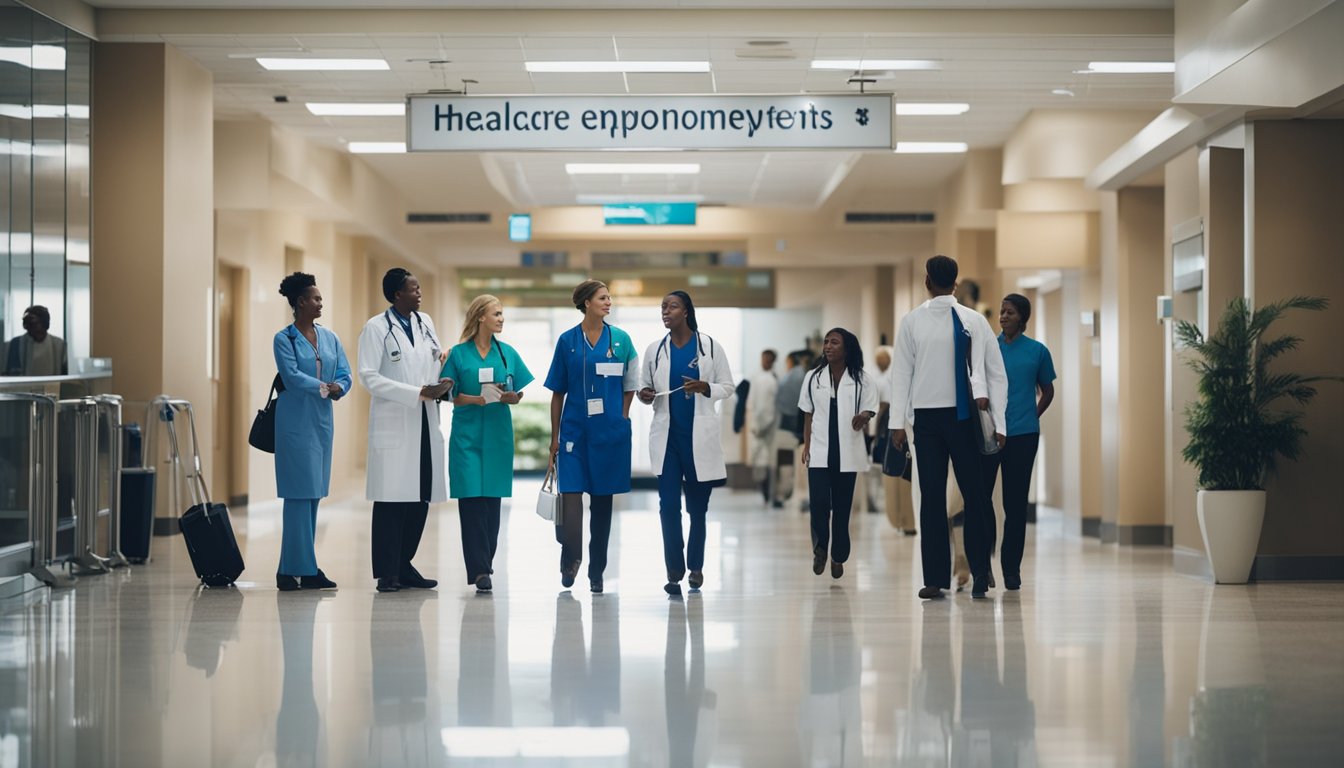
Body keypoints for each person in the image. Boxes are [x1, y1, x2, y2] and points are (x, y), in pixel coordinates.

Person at [891, 255, 1007, 600]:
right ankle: (967, 573)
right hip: (945, 420)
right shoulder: (969, 321)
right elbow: (996, 374)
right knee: (970, 497)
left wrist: (898, 424)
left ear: (927, 281)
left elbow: (901, 376)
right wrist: (999, 422)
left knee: (942, 499)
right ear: (955, 282)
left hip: (947, 418)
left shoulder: (955, 322)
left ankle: (954, 576)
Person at [357, 267, 453, 593]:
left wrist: (443, 377)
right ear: (397, 294)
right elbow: (368, 376)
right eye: (413, 289)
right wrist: (416, 393)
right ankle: (387, 573)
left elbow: (433, 360)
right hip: (395, 422)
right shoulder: (375, 328)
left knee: (420, 496)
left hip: (425, 421)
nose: (419, 293)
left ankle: (404, 565)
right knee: (391, 500)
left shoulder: (425, 323)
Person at [636, 290, 734, 596]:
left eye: (672, 306)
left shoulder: (709, 347)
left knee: (697, 509)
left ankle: (696, 567)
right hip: (667, 442)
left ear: (686, 312)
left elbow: (727, 387)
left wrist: (706, 387)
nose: (665, 311)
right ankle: (674, 569)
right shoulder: (655, 349)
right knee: (667, 506)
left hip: (698, 442)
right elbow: (642, 387)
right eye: (663, 306)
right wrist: (644, 394)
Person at [544, 279, 639, 594]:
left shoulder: (622, 340)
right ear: (586, 303)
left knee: (602, 507)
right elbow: (557, 393)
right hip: (574, 433)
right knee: (571, 500)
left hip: (609, 434)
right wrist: (554, 436)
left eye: (609, 297)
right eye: (602, 297)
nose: (608, 302)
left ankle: (597, 571)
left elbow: (631, 385)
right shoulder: (567, 341)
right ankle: (571, 560)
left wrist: (622, 416)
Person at [440, 294, 534, 593]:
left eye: (502, 314)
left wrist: (511, 397)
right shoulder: (458, 354)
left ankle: (486, 562)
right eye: (496, 314)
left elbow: (518, 392)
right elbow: (447, 393)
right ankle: (479, 570)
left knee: (492, 504)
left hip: (497, 435)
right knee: (471, 502)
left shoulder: (507, 354)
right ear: (480, 316)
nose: (501, 319)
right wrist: (475, 399)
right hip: (466, 437)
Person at [273, 272, 352, 591]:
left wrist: (339, 387)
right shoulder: (284, 339)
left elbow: (345, 372)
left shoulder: (330, 338)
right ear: (301, 302)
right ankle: (300, 569)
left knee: (314, 494)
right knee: (297, 495)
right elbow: (291, 377)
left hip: (321, 422)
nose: (321, 303)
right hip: (294, 423)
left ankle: (295, 568)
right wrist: (323, 386)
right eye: (316, 298)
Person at [981, 293, 1055, 591]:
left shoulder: (1037, 351)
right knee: (982, 501)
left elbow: (1047, 391)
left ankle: (1011, 569)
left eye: (1009, 313)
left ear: (1023, 318)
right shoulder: (989, 348)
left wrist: (1031, 416)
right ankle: (982, 564)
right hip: (989, 433)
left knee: (1015, 504)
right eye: (1001, 312)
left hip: (1023, 435)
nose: (1003, 317)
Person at [798, 328, 879, 580]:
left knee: (842, 509)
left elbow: (871, 407)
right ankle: (821, 548)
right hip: (820, 451)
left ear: (847, 349)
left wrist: (863, 416)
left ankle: (838, 556)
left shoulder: (862, 379)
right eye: (826, 342)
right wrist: (807, 444)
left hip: (847, 451)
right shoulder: (813, 377)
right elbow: (807, 413)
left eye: (835, 342)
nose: (828, 346)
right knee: (819, 504)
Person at [774, 350, 808, 509]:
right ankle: (789, 492)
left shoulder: (792, 377)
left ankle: (786, 492)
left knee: (788, 458)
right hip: (797, 424)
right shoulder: (801, 374)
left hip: (790, 424)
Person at [747, 349, 779, 505]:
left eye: (768, 359)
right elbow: (752, 402)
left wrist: (766, 424)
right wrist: (753, 424)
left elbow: (772, 406)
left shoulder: (774, 379)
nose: (764, 362)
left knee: (769, 462)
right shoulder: (756, 378)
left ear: (772, 361)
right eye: (763, 359)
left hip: (770, 427)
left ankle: (770, 493)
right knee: (758, 461)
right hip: (756, 426)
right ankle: (764, 492)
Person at [3, 305, 67, 376]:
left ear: (45, 324)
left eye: (35, 324)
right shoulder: (16, 344)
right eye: (28, 324)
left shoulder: (59, 345)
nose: (31, 328)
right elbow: (8, 373)